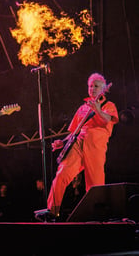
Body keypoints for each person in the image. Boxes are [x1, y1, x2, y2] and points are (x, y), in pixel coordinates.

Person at [44, 72, 119, 219]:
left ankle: (97, 218)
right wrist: (63, 142)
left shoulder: (109, 106)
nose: (92, 88)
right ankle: (51, 211)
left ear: (103, 89)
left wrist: (97, 109)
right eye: (90, 86)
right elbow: (73, 131)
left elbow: (107, 121)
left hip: (96, 146)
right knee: (62, 174)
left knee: (95, 185)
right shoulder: (82, 108)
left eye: (96, 86)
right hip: (79, 143)